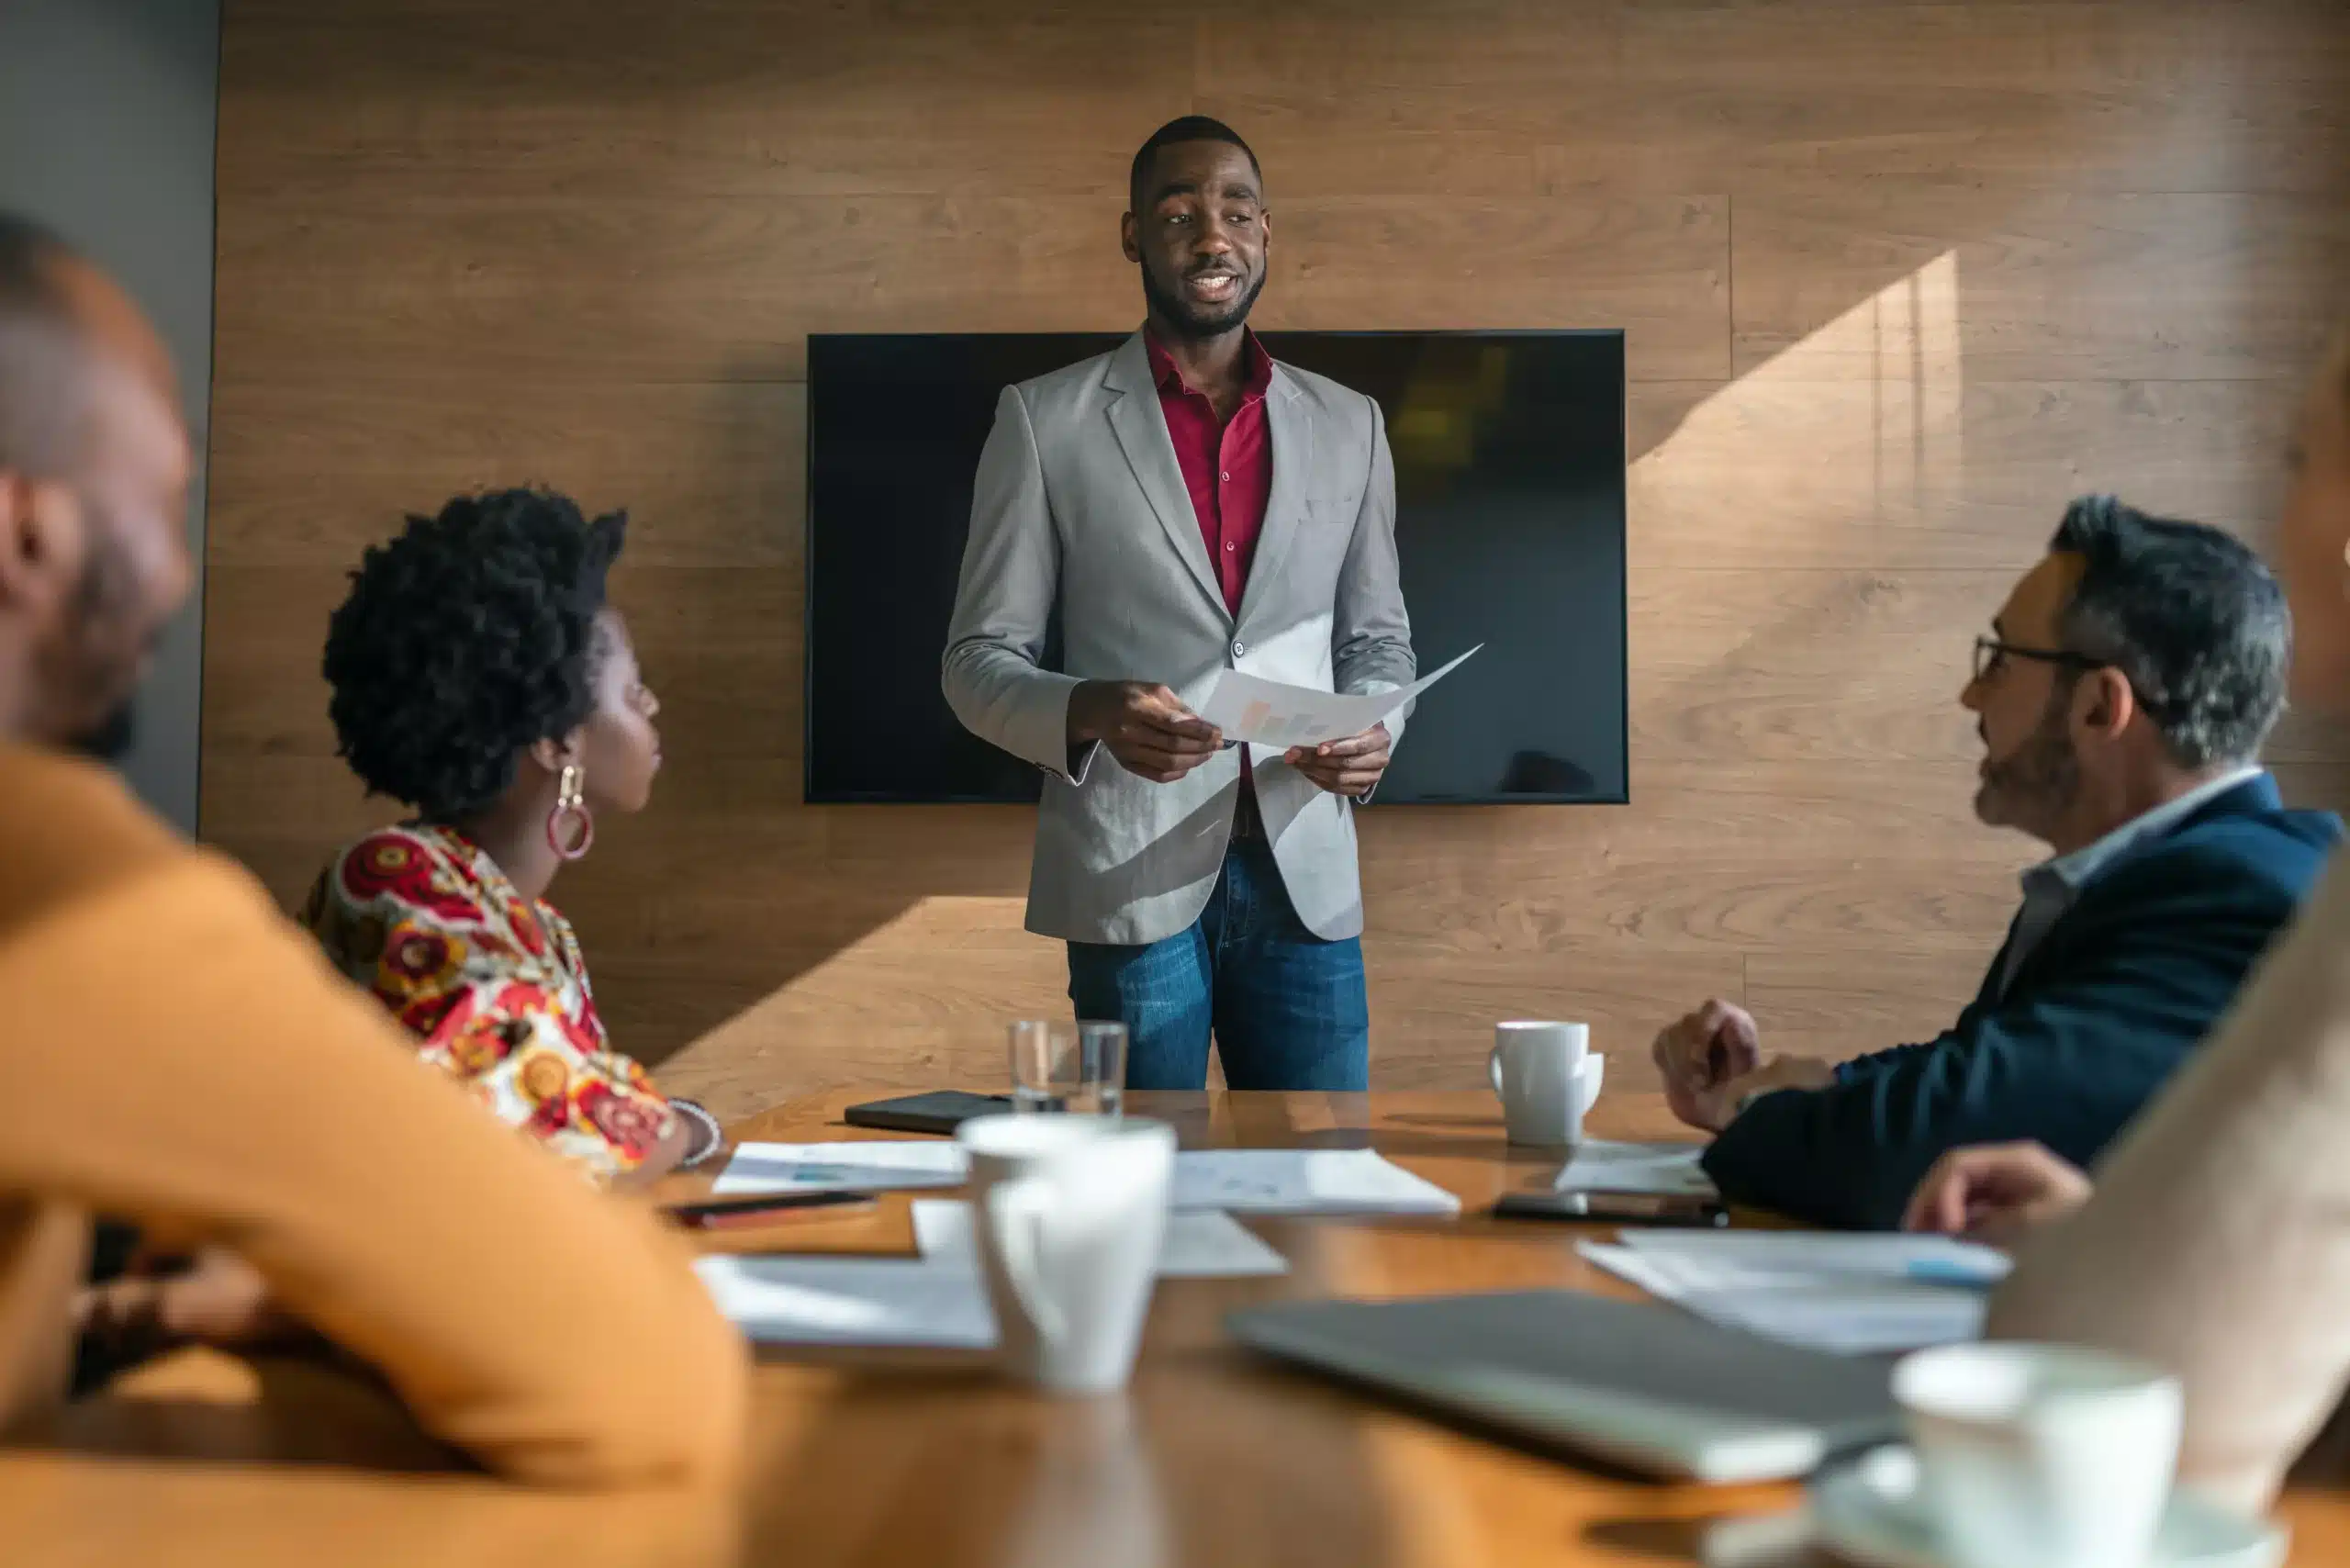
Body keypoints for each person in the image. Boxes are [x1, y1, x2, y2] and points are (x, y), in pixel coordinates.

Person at [0, 211, 744, 1490]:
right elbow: (648, 1373)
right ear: (30, 539)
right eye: (166, 501)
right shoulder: (63, 896)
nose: (179, 574)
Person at [1909, 329, 2350, 1511]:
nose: (2292, 498)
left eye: (2307, 454)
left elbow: (2158, 1379)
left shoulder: (2267, 885)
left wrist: (2099, 1263)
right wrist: (2105, 1226)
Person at [1651, 495, 2340, 1229]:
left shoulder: (2234, 895)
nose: (1970, 693)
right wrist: (1785, 1089)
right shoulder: (2162, 870)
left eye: (2002, 661)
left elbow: (1915, 1147)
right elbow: (1984, 1068)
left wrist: (1761, 1112)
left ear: (2102, 707)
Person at [942, 116, 1415, 1092]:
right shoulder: (1042, 420)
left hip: (1305, 873)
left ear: (1265, 233)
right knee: (1146, 1192)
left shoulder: (1351, 423)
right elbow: (977, 659)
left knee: (1318, 1195)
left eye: (1236, 210)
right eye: (1179, 211)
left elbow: (1376, 640)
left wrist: (1379, 726)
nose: (1213, 235)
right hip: (1130, 875)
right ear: (1132, 237)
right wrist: (1090, 710)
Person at [304, 487, 721, 1186]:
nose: (652, 705)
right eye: (631, 689)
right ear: (558, 739)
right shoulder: (390, 876)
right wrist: (689, 1125)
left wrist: (660, 1122)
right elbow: (576, 1135)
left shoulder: (541, 927)